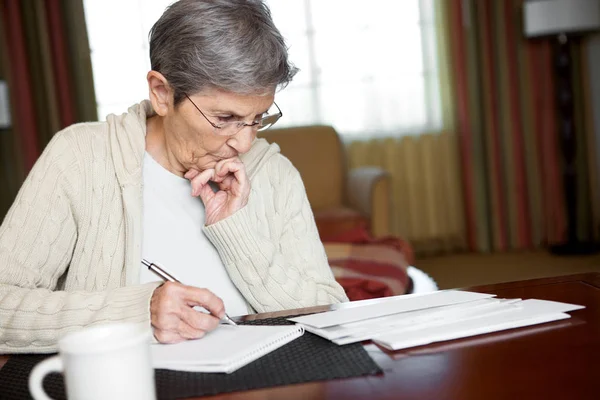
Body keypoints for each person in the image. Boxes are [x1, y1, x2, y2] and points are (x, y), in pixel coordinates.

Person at [0, 0, 348, 354]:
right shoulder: (79, 158)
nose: (245, 142)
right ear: (162, 93)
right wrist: (137, 313)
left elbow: (331, 311)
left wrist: (237, 231)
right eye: (224, 118)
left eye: (258, 118)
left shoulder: (274, 174)